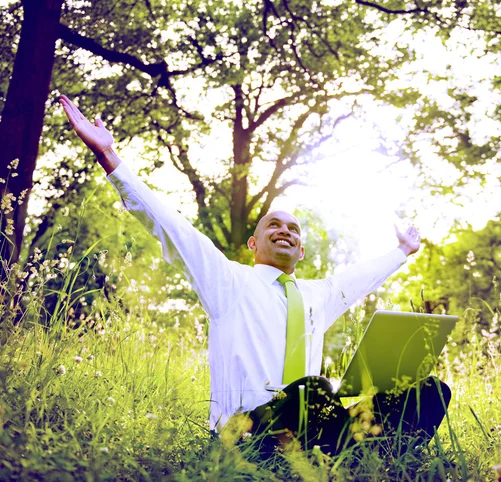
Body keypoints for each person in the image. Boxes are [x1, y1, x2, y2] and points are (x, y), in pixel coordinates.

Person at [59, 95, 451, 457]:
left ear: (301, 250)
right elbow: (172, 227)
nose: (285, 230)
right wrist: (109, 154)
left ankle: (362, 460)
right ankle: (341, 455)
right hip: (246, 433)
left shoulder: (318, 295)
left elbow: (358, 279)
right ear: (253, 242)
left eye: (294, 230)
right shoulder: (228, 281)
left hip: (310, 427)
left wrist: (402, 251)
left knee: (431, 391)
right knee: (312, 392)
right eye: (273, 225)